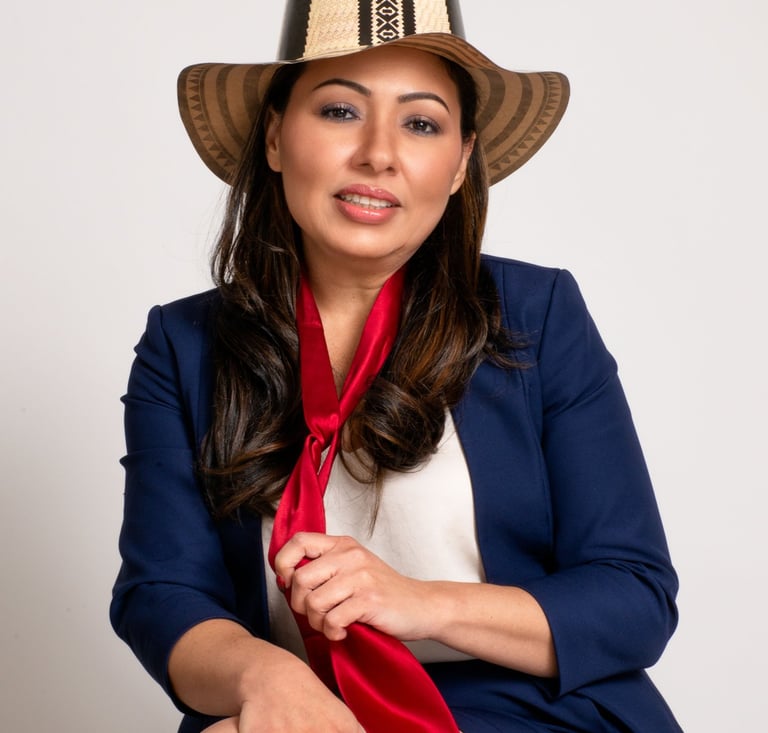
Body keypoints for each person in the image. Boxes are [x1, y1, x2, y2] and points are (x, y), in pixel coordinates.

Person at [111, 1, 683, 731]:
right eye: (340, 111)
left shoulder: (538, 315)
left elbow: (635, 598)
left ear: (461, 163)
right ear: (276, 138)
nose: (378, 154)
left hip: (529, 712)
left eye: (420, 123)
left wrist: (417, 601)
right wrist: (266, 677)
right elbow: (162, 595)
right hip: (314, 709)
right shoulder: (184, 343)